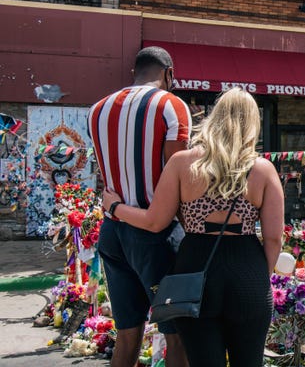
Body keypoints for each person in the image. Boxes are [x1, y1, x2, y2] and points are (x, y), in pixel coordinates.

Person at [102, 88, 284, 367]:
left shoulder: (182, 163)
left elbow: (154, 221)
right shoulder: (262, 170)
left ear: (214, 118)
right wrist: (259, 276)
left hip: (194, 269)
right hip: (247, 271)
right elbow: (273, 239)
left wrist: (115, 207)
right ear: (252, 124)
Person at [88, 46, 191, 367]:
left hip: (113, 233)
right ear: (169, 74)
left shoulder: (98, 109)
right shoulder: (172, 107)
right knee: (179, 336)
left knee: (128, 334)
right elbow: (179, 178)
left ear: (135, 72)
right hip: (157, 238)